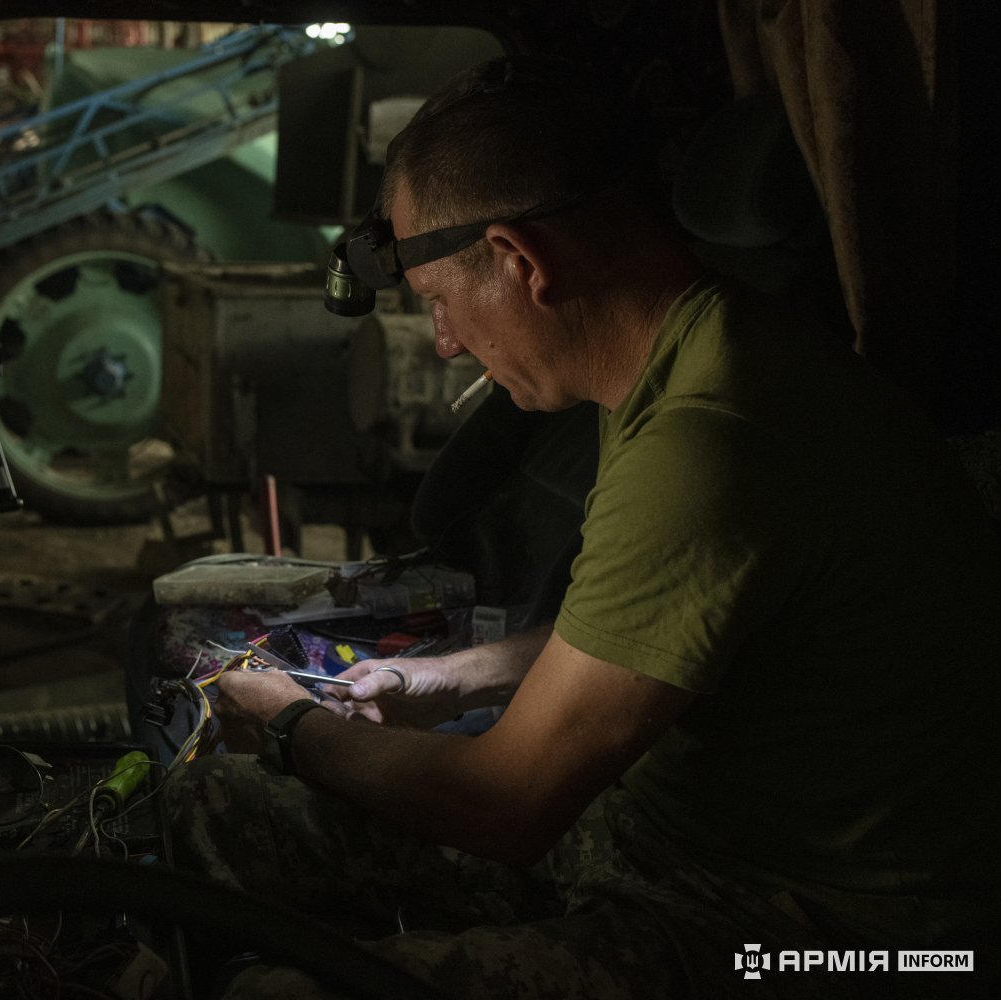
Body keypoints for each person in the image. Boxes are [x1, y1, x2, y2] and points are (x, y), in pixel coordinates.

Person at [160, 57, 1001, 999]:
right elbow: (650, 623)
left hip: (824, 928)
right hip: (660, 836)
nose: (442, 342)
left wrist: (290, 726)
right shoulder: (684, 355)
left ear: (522, 263)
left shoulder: (713, 442)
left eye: (439, 302)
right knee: (201, 811)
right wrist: (449, 677)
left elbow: (507, 806)